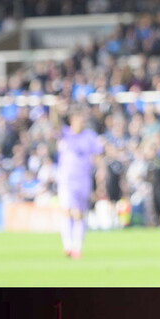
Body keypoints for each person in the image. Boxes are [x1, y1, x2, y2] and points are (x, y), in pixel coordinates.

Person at [55, 108, 104, 259]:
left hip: (83, 179)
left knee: (79, 213)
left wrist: (101, 172)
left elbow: (98, 155)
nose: (81, 121)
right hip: (66, 179)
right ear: (72, 120)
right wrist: (54, 109)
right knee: (67, 211)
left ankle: (78, 247)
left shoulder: (90, 136)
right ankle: (68, 246)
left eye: (83, 119)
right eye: (78, 118)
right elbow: (55, 124)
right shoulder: (66, 134)